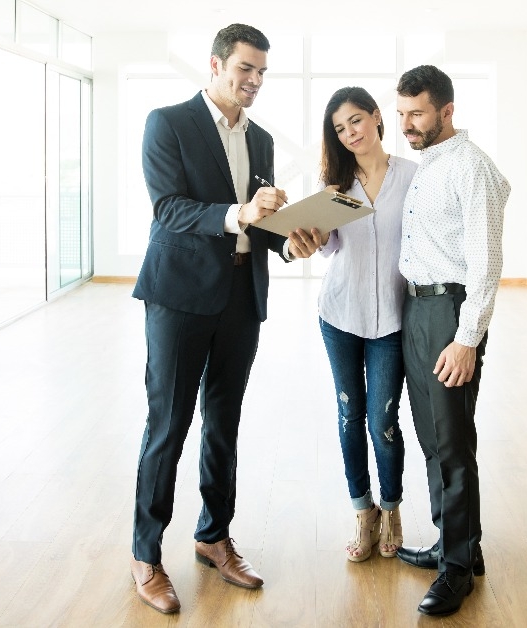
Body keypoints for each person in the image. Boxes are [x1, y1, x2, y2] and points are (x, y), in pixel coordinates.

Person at [129, 23, 293, 615]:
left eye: (261, 72)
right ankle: (146, 554)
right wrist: (239, 212)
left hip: (240, 300)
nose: (253, 81)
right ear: (216, 64)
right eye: (244, 68)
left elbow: (262, 219)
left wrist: (290, 240)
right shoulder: (167, 123)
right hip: (178, 298)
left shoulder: (264, 140)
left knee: (224, 422)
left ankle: (212, 536)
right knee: (168, 425)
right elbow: (170, 208)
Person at [391, 65, 510, 617]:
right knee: (432, 438)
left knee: (453, 441)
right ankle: (457, 544)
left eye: (416, 113)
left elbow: (487, 262)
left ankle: (457, 571)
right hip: (417, 305)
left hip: (449, 312)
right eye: (401, 114)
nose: (407, 125)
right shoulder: (427, 164)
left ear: (447, 111)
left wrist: (466, 338)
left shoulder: (471, 168)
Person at [289, 87, 417, 563]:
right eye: (340, 129)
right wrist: (315, 235)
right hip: (340, 314)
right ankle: (363, 512)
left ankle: (392, 507)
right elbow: (328, 249)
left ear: (377, 117)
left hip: (393, 320)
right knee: (350, 415)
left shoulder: (413, 177)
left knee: (384, 420)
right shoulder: (335, 189)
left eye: (356, 121)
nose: (350, 134)